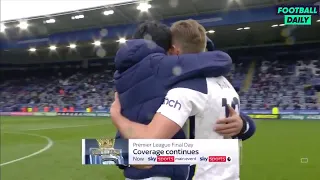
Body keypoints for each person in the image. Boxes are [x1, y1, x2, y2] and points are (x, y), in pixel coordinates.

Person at [112, 20, 255, 180]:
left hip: (164, 170)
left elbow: (147, 142)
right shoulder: (224, 83)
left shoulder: (180, 88)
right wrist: (246, 125)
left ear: (173, 51)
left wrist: (116, 120)